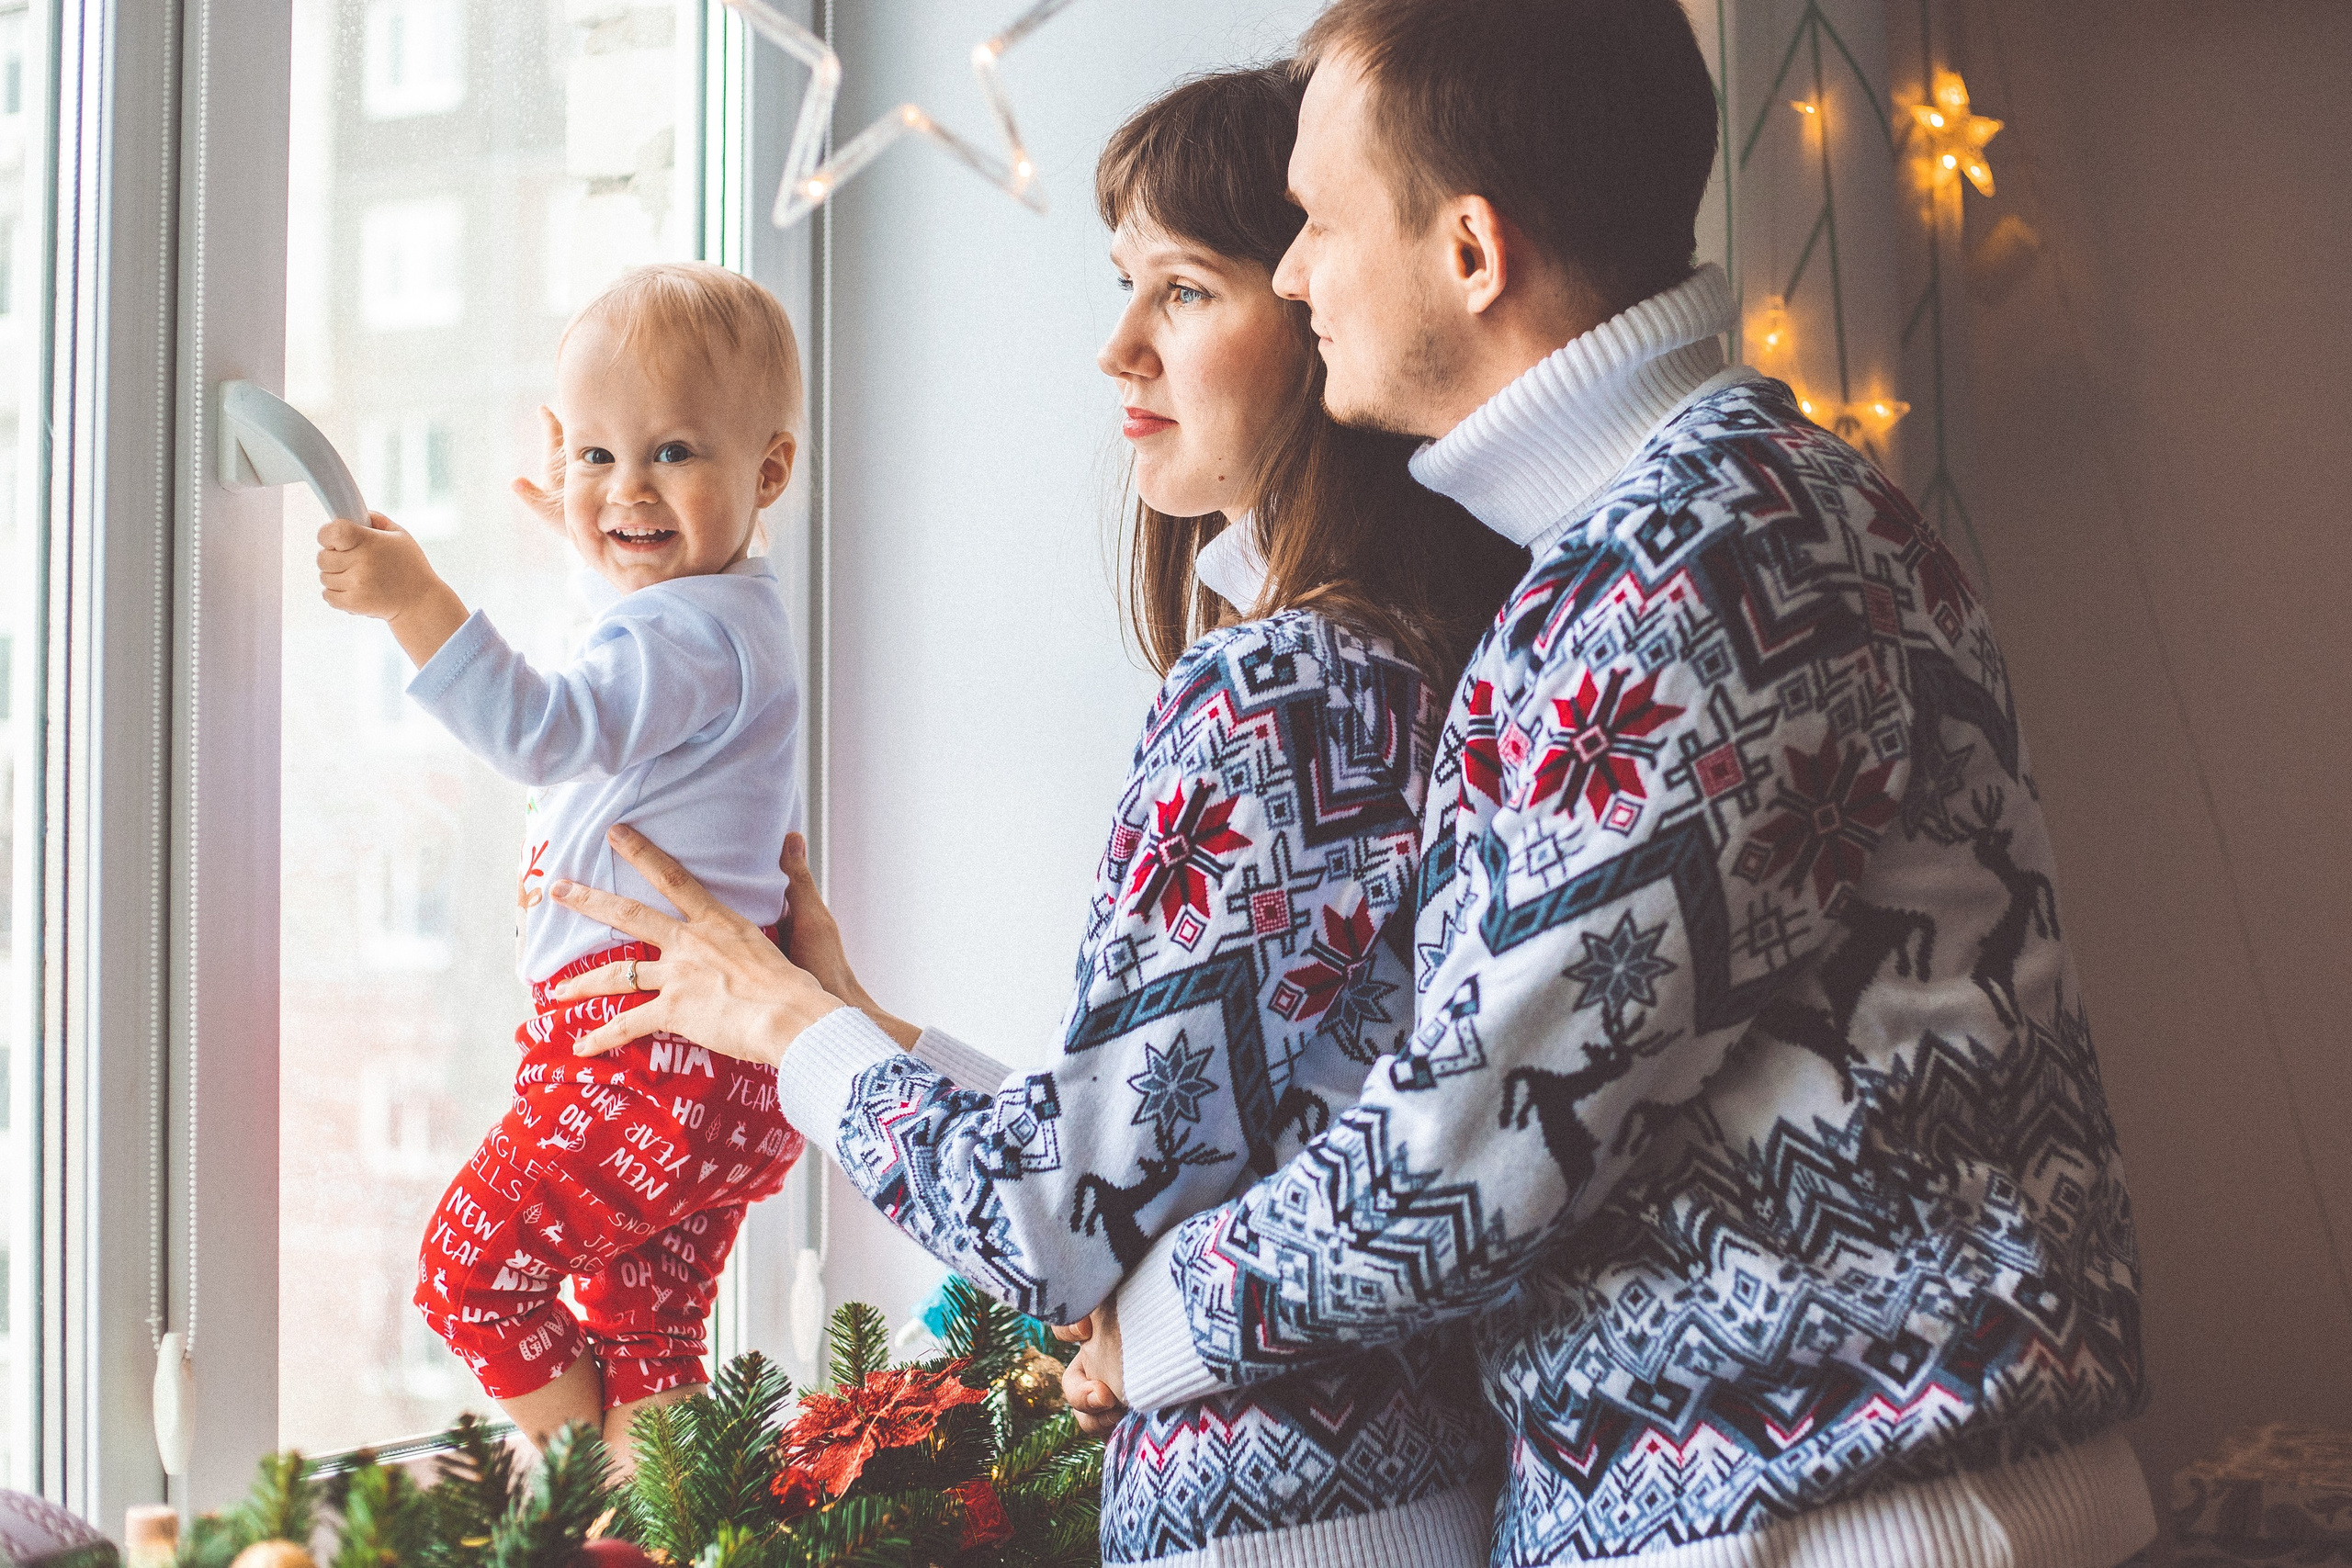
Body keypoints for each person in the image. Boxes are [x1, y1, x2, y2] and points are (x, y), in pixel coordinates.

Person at [548, 0, 2159, 1561]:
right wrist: (885, 1048)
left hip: (1822, 1509)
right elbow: (1321, 1107)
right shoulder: (1706, 527)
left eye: (1311, 224)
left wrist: (1141, 1313)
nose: (1302, 271)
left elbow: (1461, 1154)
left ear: (1470, 252)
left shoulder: (1684, 565)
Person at [549, 66, 1525, 1568]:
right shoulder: (1405, 659)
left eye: (1184, 291)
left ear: (1326, 309)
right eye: (1125, 286)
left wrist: (786, 1030)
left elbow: (1058, 1216)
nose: (1117, 346)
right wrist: (856, 1012)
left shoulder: (1284, 690)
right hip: (1395, 1493)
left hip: (1287, 1521)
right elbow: (1165, 1152)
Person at [315, 261, 809, 1461]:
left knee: (471, 1278)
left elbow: (546, 726)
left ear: (769, 471)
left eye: (673, 453)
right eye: (593, 456)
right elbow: (624, 667)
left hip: (648, 1059)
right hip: (720, 1071)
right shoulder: (726, 613)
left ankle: (587, 1503)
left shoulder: (681, 631)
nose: (626, 489)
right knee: (647, 1333)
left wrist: (415, 601)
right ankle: (664, 1524)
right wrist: (602, 532)